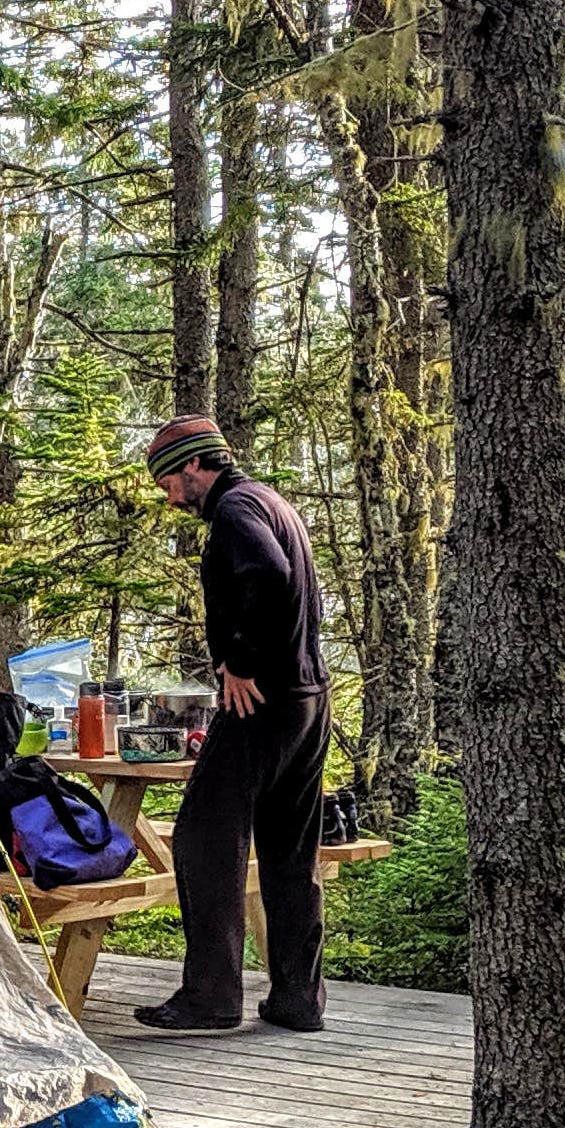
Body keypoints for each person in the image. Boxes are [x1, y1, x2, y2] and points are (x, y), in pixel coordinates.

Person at [135, 415, 332, 1033]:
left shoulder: (236, 511)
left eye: (170, 479)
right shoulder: (273, 503)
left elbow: (269, 577)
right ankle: (298, 999)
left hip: (261, 701)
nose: (169, 495)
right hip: (307, 699)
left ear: (197, 465)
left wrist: (241, 661)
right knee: (288, 851)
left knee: (202, 837)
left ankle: (211, 998)